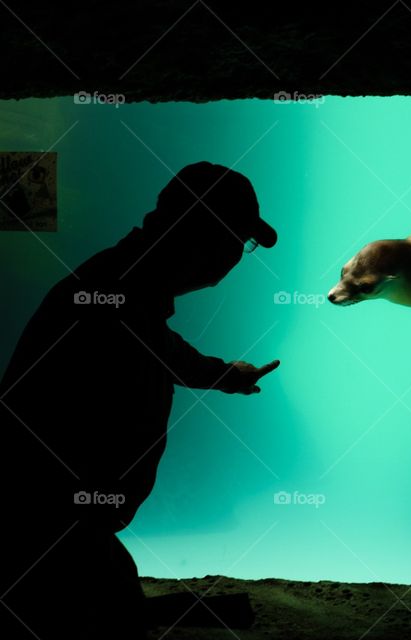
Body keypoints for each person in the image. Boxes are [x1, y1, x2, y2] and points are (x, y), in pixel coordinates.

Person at [0, 162, 281, 639]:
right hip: (44, 530)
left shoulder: (122, 289)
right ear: (205, 235)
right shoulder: (115, 298)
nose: (238, 255)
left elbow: (160, 348)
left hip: (62, 528)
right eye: (239, 238)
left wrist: (224, 375)